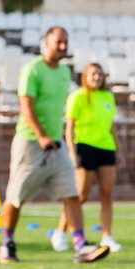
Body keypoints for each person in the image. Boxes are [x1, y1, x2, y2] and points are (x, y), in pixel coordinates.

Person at [0, 26, 109, 265]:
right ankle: (7, 242)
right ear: (45, 43)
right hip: (30, 142)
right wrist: (41, 136)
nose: (62, 46)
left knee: (71, 194)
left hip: (56, 145)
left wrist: (56, 137)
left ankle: (80, 245)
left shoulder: (64, 73)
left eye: (65, 42)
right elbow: (26, 106)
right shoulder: (33, 70)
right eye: (58, 41)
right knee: (16, 197)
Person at [54, 63, 123, 253]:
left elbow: (112, 126)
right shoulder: (77, 97)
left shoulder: (108, 97)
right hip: (85, 148)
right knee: (80, 196)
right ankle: (60, 232)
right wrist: (72, 154)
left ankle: (107, 236)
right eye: (93, 74)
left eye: (100, 74)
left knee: (107, 194)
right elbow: (69, 128)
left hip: (106, 148)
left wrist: (119, 150)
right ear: (86, 76)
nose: (97, 77)